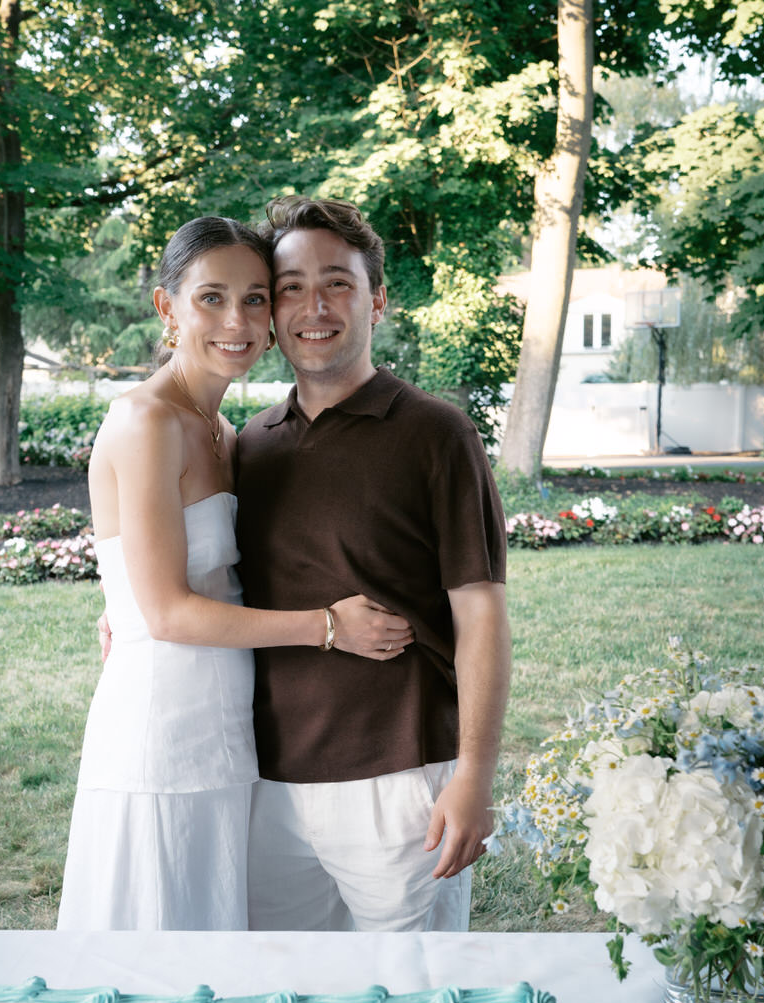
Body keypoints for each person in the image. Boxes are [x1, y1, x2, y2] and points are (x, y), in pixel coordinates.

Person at [57, 215, 411, 931]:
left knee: (220, 941)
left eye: (255, 299)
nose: (238, 321)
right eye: (211, 298)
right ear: (167, 307)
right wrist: (326, 627)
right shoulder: (145, 421)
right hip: (160, 730)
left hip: (229, 728)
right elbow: (165, 614)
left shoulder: (223, 432)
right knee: (159, 943)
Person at [236, 196, 511, 932]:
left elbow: (480, 614)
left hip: (400, 781)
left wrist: (473, 778)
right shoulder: (247, 444)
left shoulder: (435, 434)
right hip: (264, 782)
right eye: (290, 286)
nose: (312, 306)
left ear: (376, 300)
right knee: (283, 999)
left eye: (337, 283)